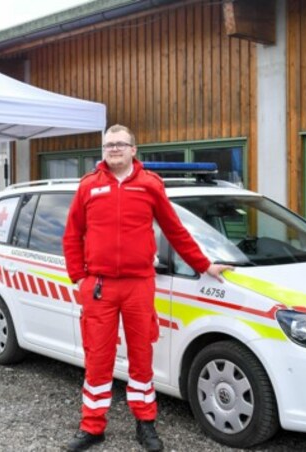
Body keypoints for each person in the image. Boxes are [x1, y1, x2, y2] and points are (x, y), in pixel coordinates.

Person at [62, 124, 233, 452]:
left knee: (142, 357)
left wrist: (204, 265)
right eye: (109, 145)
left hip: (139, 284)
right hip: (99, 287)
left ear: (133, 150)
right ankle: (92, 426)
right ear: (104, 150)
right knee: (98, 357)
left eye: (120, 144)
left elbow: (175, 229)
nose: (114, 149)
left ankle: (145, 423)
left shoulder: (150, 185)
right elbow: (71, 235)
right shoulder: (88, 187)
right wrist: (79, 278)